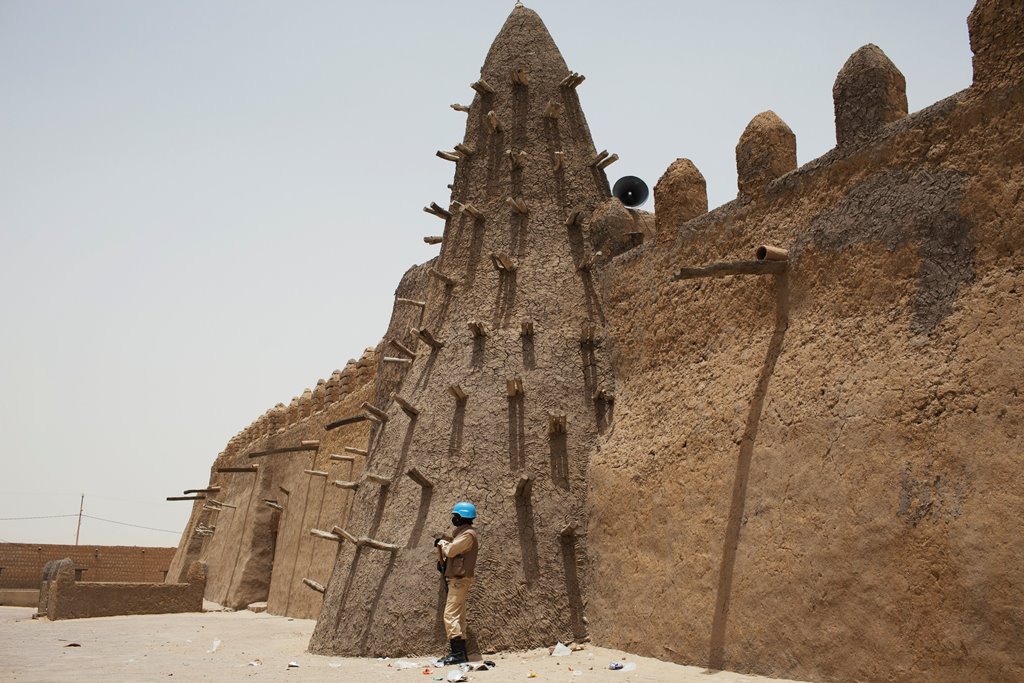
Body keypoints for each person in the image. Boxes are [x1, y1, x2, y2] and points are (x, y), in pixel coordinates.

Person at [434, 501, 480, 665]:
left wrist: (442, 543)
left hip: (459, 581)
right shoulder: (463, 534)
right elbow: (456, 554)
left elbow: (452, 550)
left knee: (450, 615)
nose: (454, 519)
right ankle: (461, 653)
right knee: (458, 616)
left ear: (462, 517)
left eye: (456, 516)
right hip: (457, 579)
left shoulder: (468, 535)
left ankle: (457, 654)